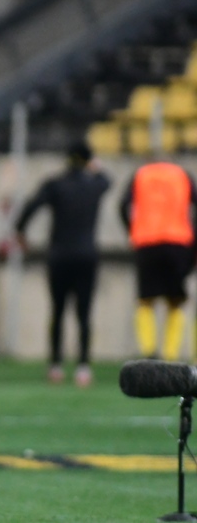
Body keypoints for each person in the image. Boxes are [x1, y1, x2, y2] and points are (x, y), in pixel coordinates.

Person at [13, 141, 110, 387]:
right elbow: (107, 180)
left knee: (57, 310)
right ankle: (83, 367)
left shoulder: (55, 184)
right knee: (84, 313)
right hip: (87, 255)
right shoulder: (95, 185)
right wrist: (95, 166)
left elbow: (29, 207)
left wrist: (20, 232)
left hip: (60, 255)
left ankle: (55, 365)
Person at [119, 158, 197, 362]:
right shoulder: (183, 175)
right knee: (176, 301)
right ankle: (170, 356)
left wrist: (131, 230)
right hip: (178, 243)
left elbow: (123, 205)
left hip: (146, 242)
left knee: (145, 299)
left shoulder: (140, 175)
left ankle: (149, 352)